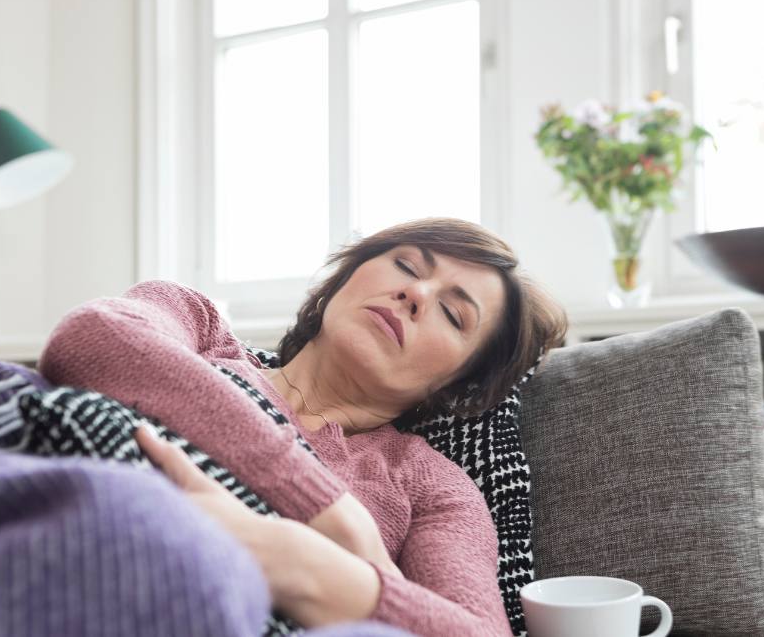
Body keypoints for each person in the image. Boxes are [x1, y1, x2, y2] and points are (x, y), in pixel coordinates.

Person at [37, 217, 569, 637]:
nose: (418, 295)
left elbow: (475, 632)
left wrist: (305, 565)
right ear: (346, 276)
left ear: (456, 384)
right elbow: (89, 340)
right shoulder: (199, 329)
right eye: (407, 265)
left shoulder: (432, 486)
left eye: (454, 316)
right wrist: (328, 510)